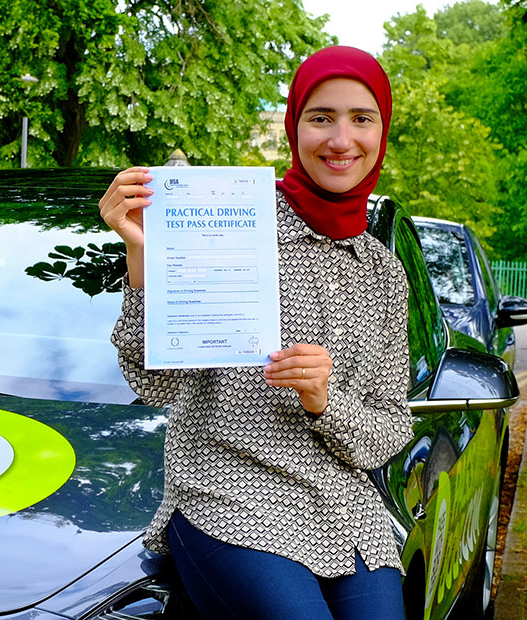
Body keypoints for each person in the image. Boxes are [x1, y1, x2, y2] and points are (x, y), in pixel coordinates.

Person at [99, 46, 414, 620]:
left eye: (361, 118)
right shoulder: (232, 220)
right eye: (321, 117)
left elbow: (389, 431)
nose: (342, 139)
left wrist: (325, 401)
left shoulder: (384, 273)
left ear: (381, 131)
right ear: (295, 126)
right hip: (231, 499)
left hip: (347, 516)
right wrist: (143, 254)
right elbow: (153, 383)